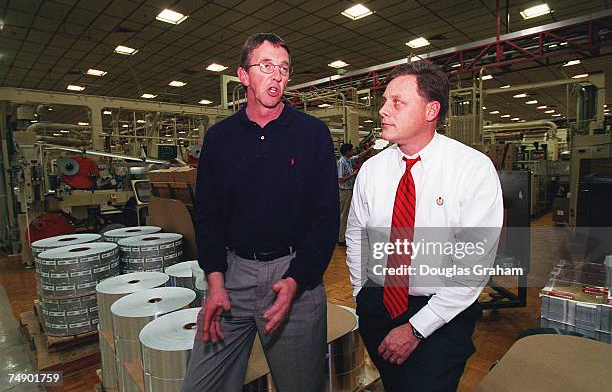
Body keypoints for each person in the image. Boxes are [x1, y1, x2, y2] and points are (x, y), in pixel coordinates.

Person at [182, 33, 339, 392]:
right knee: (201, 385)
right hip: (233, 277)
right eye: (266, 66)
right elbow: (207, 216)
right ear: (243, 75)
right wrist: (216, 282)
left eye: (283, 69)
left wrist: (297, 279)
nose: (277, 76)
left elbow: (325, 218)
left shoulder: (312, 134)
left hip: (294, 278)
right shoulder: (220, 138)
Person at [345, 60, 503, 391]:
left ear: (431, 110)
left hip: (442, 314)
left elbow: (472, 267)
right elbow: (357, 236)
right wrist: (362, 294)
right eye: (384, 101)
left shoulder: (472, 170)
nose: (383, 111)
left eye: (397, 102)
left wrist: (417, 328)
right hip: (381, 305)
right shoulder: (372, 172)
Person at [337, 142, 370, 246]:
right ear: (347, 151)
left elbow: (359, 156)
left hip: (348, 191)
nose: (352, 152)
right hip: (344, 191)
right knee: (344, 215)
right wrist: (353, 174)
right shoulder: (342, 162)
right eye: (351, 150)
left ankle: (343, 237)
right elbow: (340, 179)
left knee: (346, 215)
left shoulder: (347, 160)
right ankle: (341, 239)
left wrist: (369, 149)